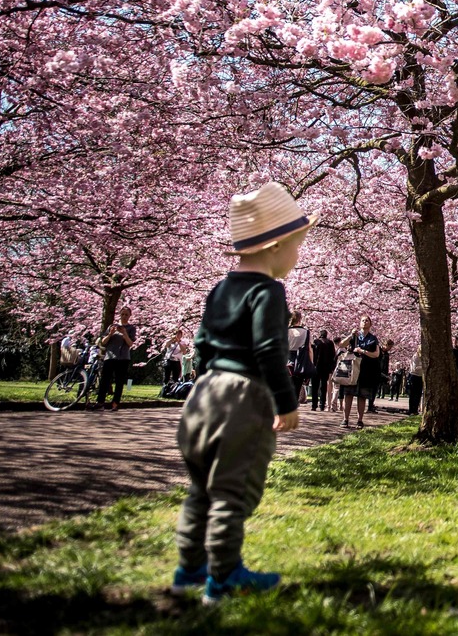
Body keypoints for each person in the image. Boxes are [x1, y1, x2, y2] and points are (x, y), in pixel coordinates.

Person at [171, 180, 312, 604]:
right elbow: (270, 349)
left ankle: (189, 569)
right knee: (232, 492)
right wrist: (286, 403)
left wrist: (202, 384)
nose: (297, 256)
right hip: (242, 398)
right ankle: (224, 577)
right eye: (296, 246)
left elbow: (200, 344)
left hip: (204, 394)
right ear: (275, 247)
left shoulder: (219, 289)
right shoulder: (269, 291)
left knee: (200, 489)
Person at [342, 316, 380, 427]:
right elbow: (341, 345)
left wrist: (363, 351)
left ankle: (360, 420)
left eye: (367, 320)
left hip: (366, 370)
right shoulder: (354, 336)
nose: (364, 322)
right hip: (352, 369)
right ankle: (345, 419)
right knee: (348, 394)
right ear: (359, 323)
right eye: (362, 320)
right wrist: (351, 335)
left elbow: (376, 354)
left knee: (362, 395)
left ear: (370, 324)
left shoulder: (373, 338)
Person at [97, 307, 137, 411]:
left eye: (126, 315)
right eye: (122, 314)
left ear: (129, 316)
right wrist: (110, 334)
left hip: (123, 357)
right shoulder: (112, 326)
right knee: (105, 380)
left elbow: (130, 344)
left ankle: (115, 403)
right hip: (110, 356)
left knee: (119, 382)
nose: (124, 317)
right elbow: (103, 342)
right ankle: (100, 402)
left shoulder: (131, 328)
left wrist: (124, 333)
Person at [309, 329, 335, 411]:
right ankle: (322, 404)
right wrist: (331, 368)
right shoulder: (330, 343)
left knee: (314, 386)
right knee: (324, 387)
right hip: (326, 368)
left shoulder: (316, 342)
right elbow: (333, 356)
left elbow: (311, 353)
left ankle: (314, 405)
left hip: (315, 367)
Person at [406, 348, 423, 416]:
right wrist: (423, 366)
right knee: (413, 394)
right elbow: (414, 368)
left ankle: (415, 410)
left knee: (418, 394)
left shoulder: (423, 357)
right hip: (414, 376)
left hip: (420, 377)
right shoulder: (415, 357)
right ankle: (411, 410)